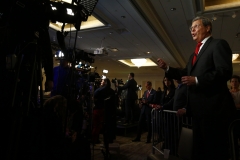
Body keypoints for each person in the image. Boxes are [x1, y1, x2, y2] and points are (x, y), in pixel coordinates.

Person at [157, 16, 236, 160]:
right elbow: (183, 74)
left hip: (214, 111)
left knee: (215, 151)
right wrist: (167, 68)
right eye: (191, 28)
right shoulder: (193, 54)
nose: (192, 30)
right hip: (198, 112)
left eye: (196, 26)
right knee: (200, 151)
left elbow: (224, 71)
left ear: (207, 28)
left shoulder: (218, 44)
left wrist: (198, 80)